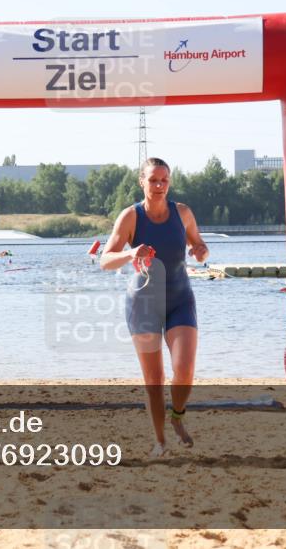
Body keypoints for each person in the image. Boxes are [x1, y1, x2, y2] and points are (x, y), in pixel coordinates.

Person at [100, 158, 209, 457]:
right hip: (143, 303)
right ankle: (160, 441)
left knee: (184, 369)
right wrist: (131, 252)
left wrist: (200, 251)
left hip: (179, 299)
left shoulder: (183, 213)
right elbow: (105, 259)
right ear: (142, 182)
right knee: (154, 380)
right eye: (153, 180)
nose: (159, 186)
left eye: (164, 180)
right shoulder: (130, 217)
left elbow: (200, 246)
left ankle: (178, 415)